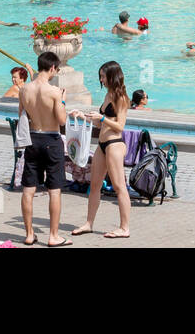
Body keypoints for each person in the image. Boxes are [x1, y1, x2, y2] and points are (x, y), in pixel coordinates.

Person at [71, 61, 133, 239]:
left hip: (114, 144)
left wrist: (103, 119)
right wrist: (83, 116)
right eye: (100, 76)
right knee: (95, 185)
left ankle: (124, 227)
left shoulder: (121, 98)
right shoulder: (108, 95)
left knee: (119, 186)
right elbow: (100, 121)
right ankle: (89, 223)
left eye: (103, 76)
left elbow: (120, 126)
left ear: (112, 76)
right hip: (102, 145)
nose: (101, 80)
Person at [19, 50, 69, 247]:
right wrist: (63, 100)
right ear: (53, 68)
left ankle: (29, 234)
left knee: (28, 189)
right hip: (51, 139)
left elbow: (22, 115)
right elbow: (62, 120)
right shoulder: (54, 91)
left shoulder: (24, 90)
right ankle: (53, 236)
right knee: (54, 190)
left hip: (32, 138)